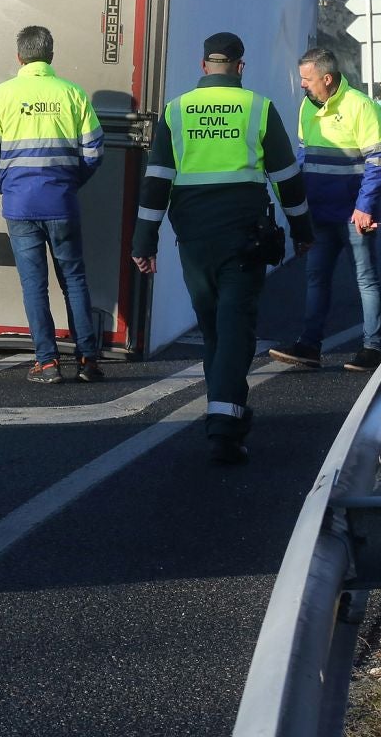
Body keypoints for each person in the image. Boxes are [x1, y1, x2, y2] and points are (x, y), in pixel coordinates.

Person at [130, 31, 312, 464]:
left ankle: (223, 411)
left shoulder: (176, 111)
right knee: (235, 326)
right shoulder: (259, 108)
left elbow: (156, 181)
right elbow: (288, 179)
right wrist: (303, 230)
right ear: (240, 67)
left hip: (193, 237)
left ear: (203, 66)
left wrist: (144, 241)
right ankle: (224, 423)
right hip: (244, 235)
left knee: (213, 325)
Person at [0, 25, 106, 383]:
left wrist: (3, 184)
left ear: (19, 56)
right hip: (62, 202)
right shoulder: (73, 94)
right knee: (74, 280)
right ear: (51, 55)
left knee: (34, 286)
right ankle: (88, 360)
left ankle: (47, 363)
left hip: (20, 206)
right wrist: (70, 182)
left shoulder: (2, 94)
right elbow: (94, 151)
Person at [270, 47, 381, 372]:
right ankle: (309, 345)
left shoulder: (360, 106)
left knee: (365, 278)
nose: (303, 85)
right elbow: (302, 154)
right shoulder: (306, 108)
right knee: (316, 278)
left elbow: (379, 161)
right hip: (319, 214)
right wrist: (297, 203)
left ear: (326, 78)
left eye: (307, 79)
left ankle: (372, 348)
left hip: (354, 215)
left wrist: (365, 208)